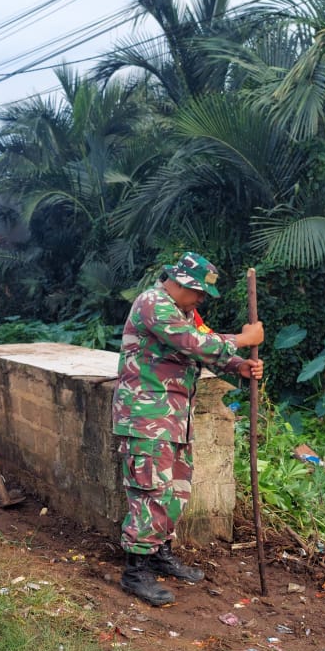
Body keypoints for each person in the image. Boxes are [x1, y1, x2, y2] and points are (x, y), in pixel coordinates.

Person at [112, 251, 264, 606]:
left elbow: (205, 347)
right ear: (182, 284)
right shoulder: (153, 303)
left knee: (175, 489)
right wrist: (243, 339)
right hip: (146, 415)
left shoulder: (184, 312)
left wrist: (238, 364)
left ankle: (159, 553)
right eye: (198, 293)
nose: (200, 300)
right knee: (150, 490)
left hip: (175, 417)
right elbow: (190, 342)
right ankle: (136, 570)